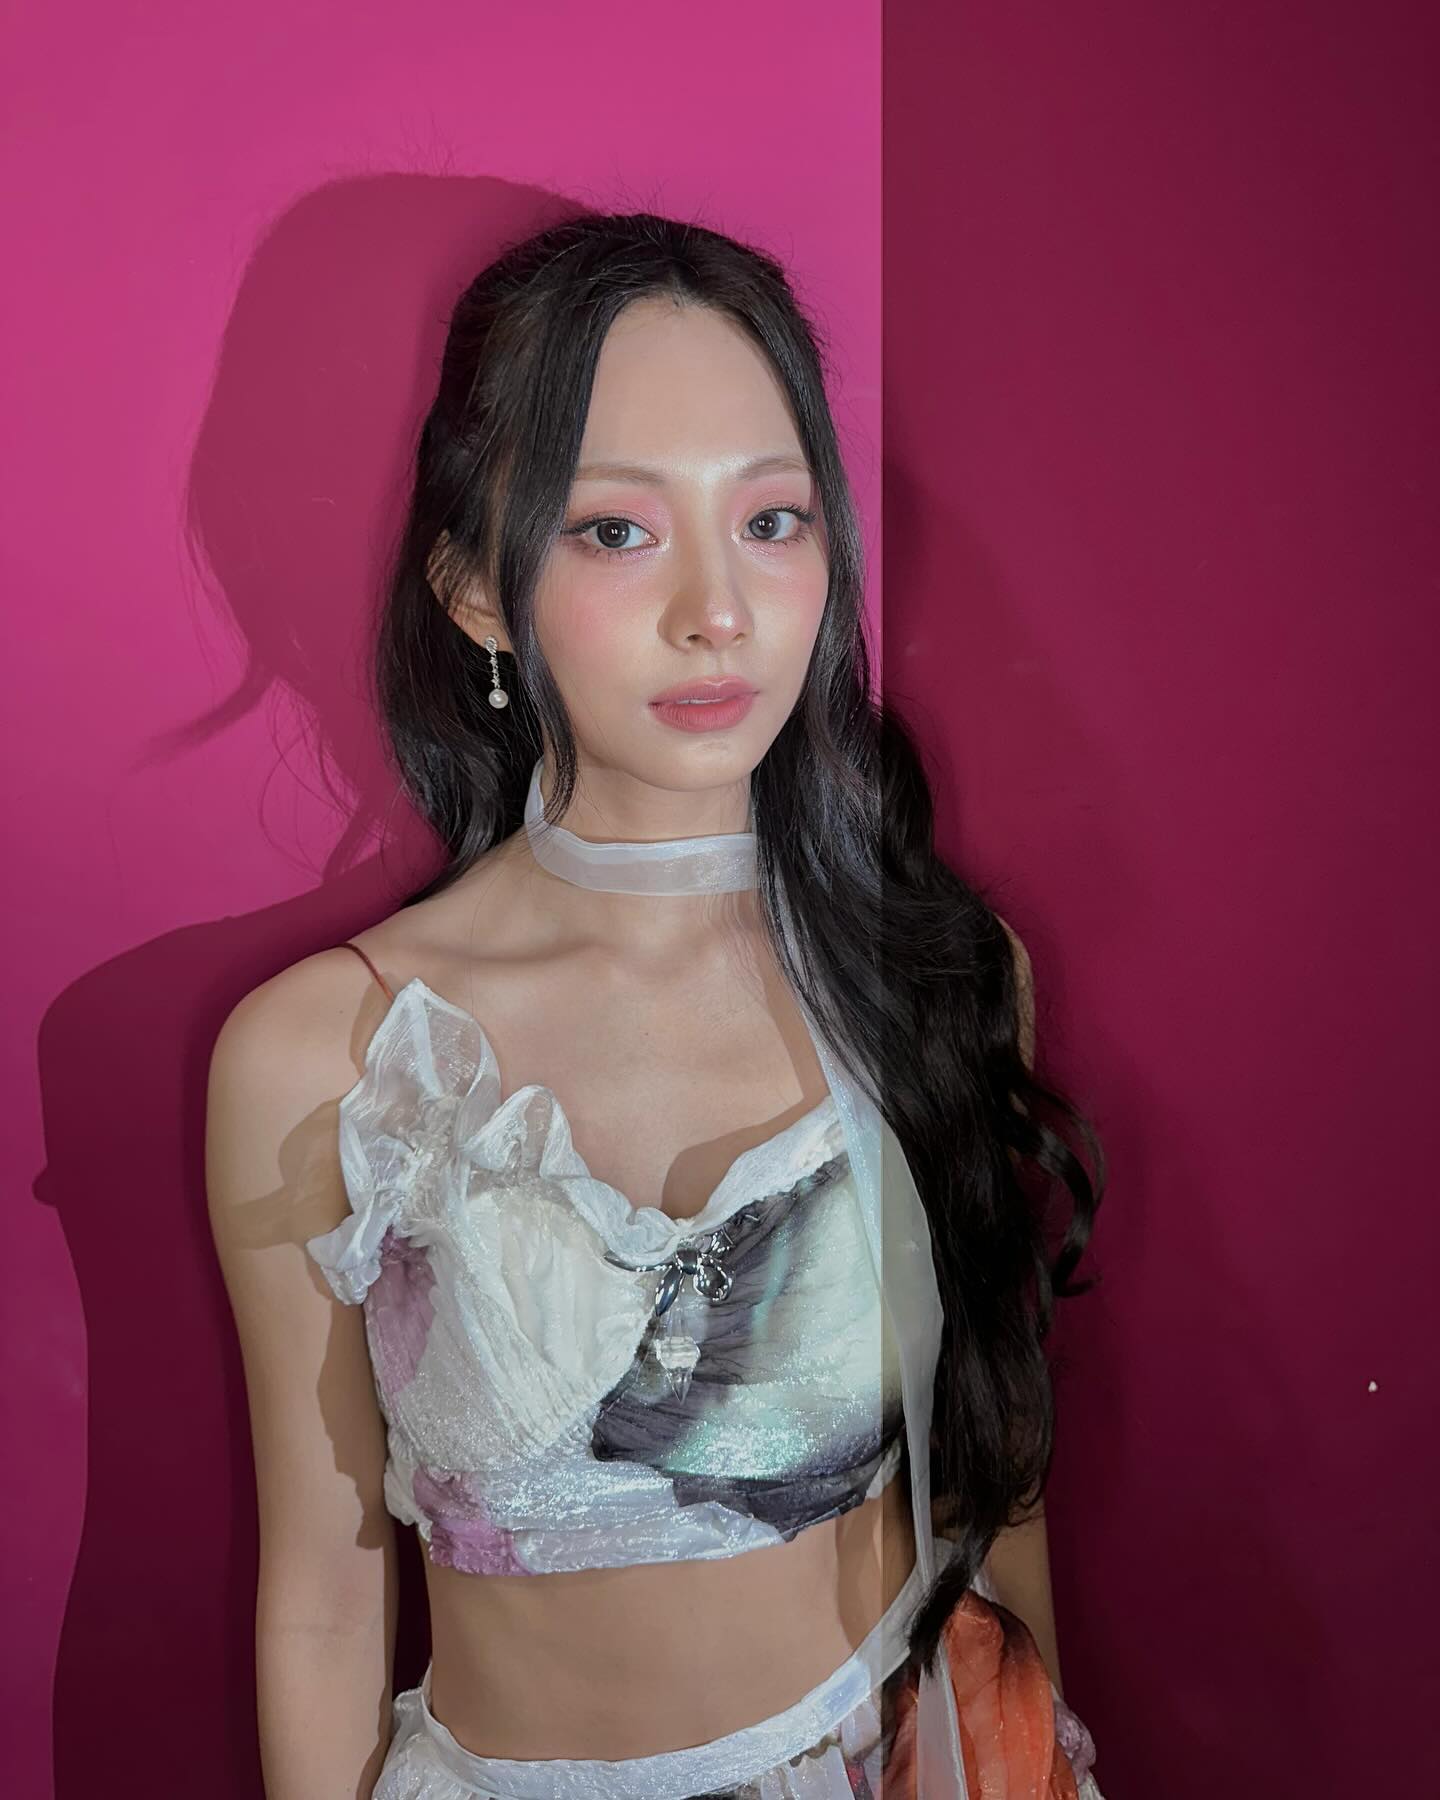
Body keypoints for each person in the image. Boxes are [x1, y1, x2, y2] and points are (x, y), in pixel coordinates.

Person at [206, 211, 1107, 1800]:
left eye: (773, 520)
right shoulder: (328, 1060)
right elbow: (324, 1600)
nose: (720, 609)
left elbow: (997, 1480)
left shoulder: (934, 973)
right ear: (475, 589)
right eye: (616, 530)